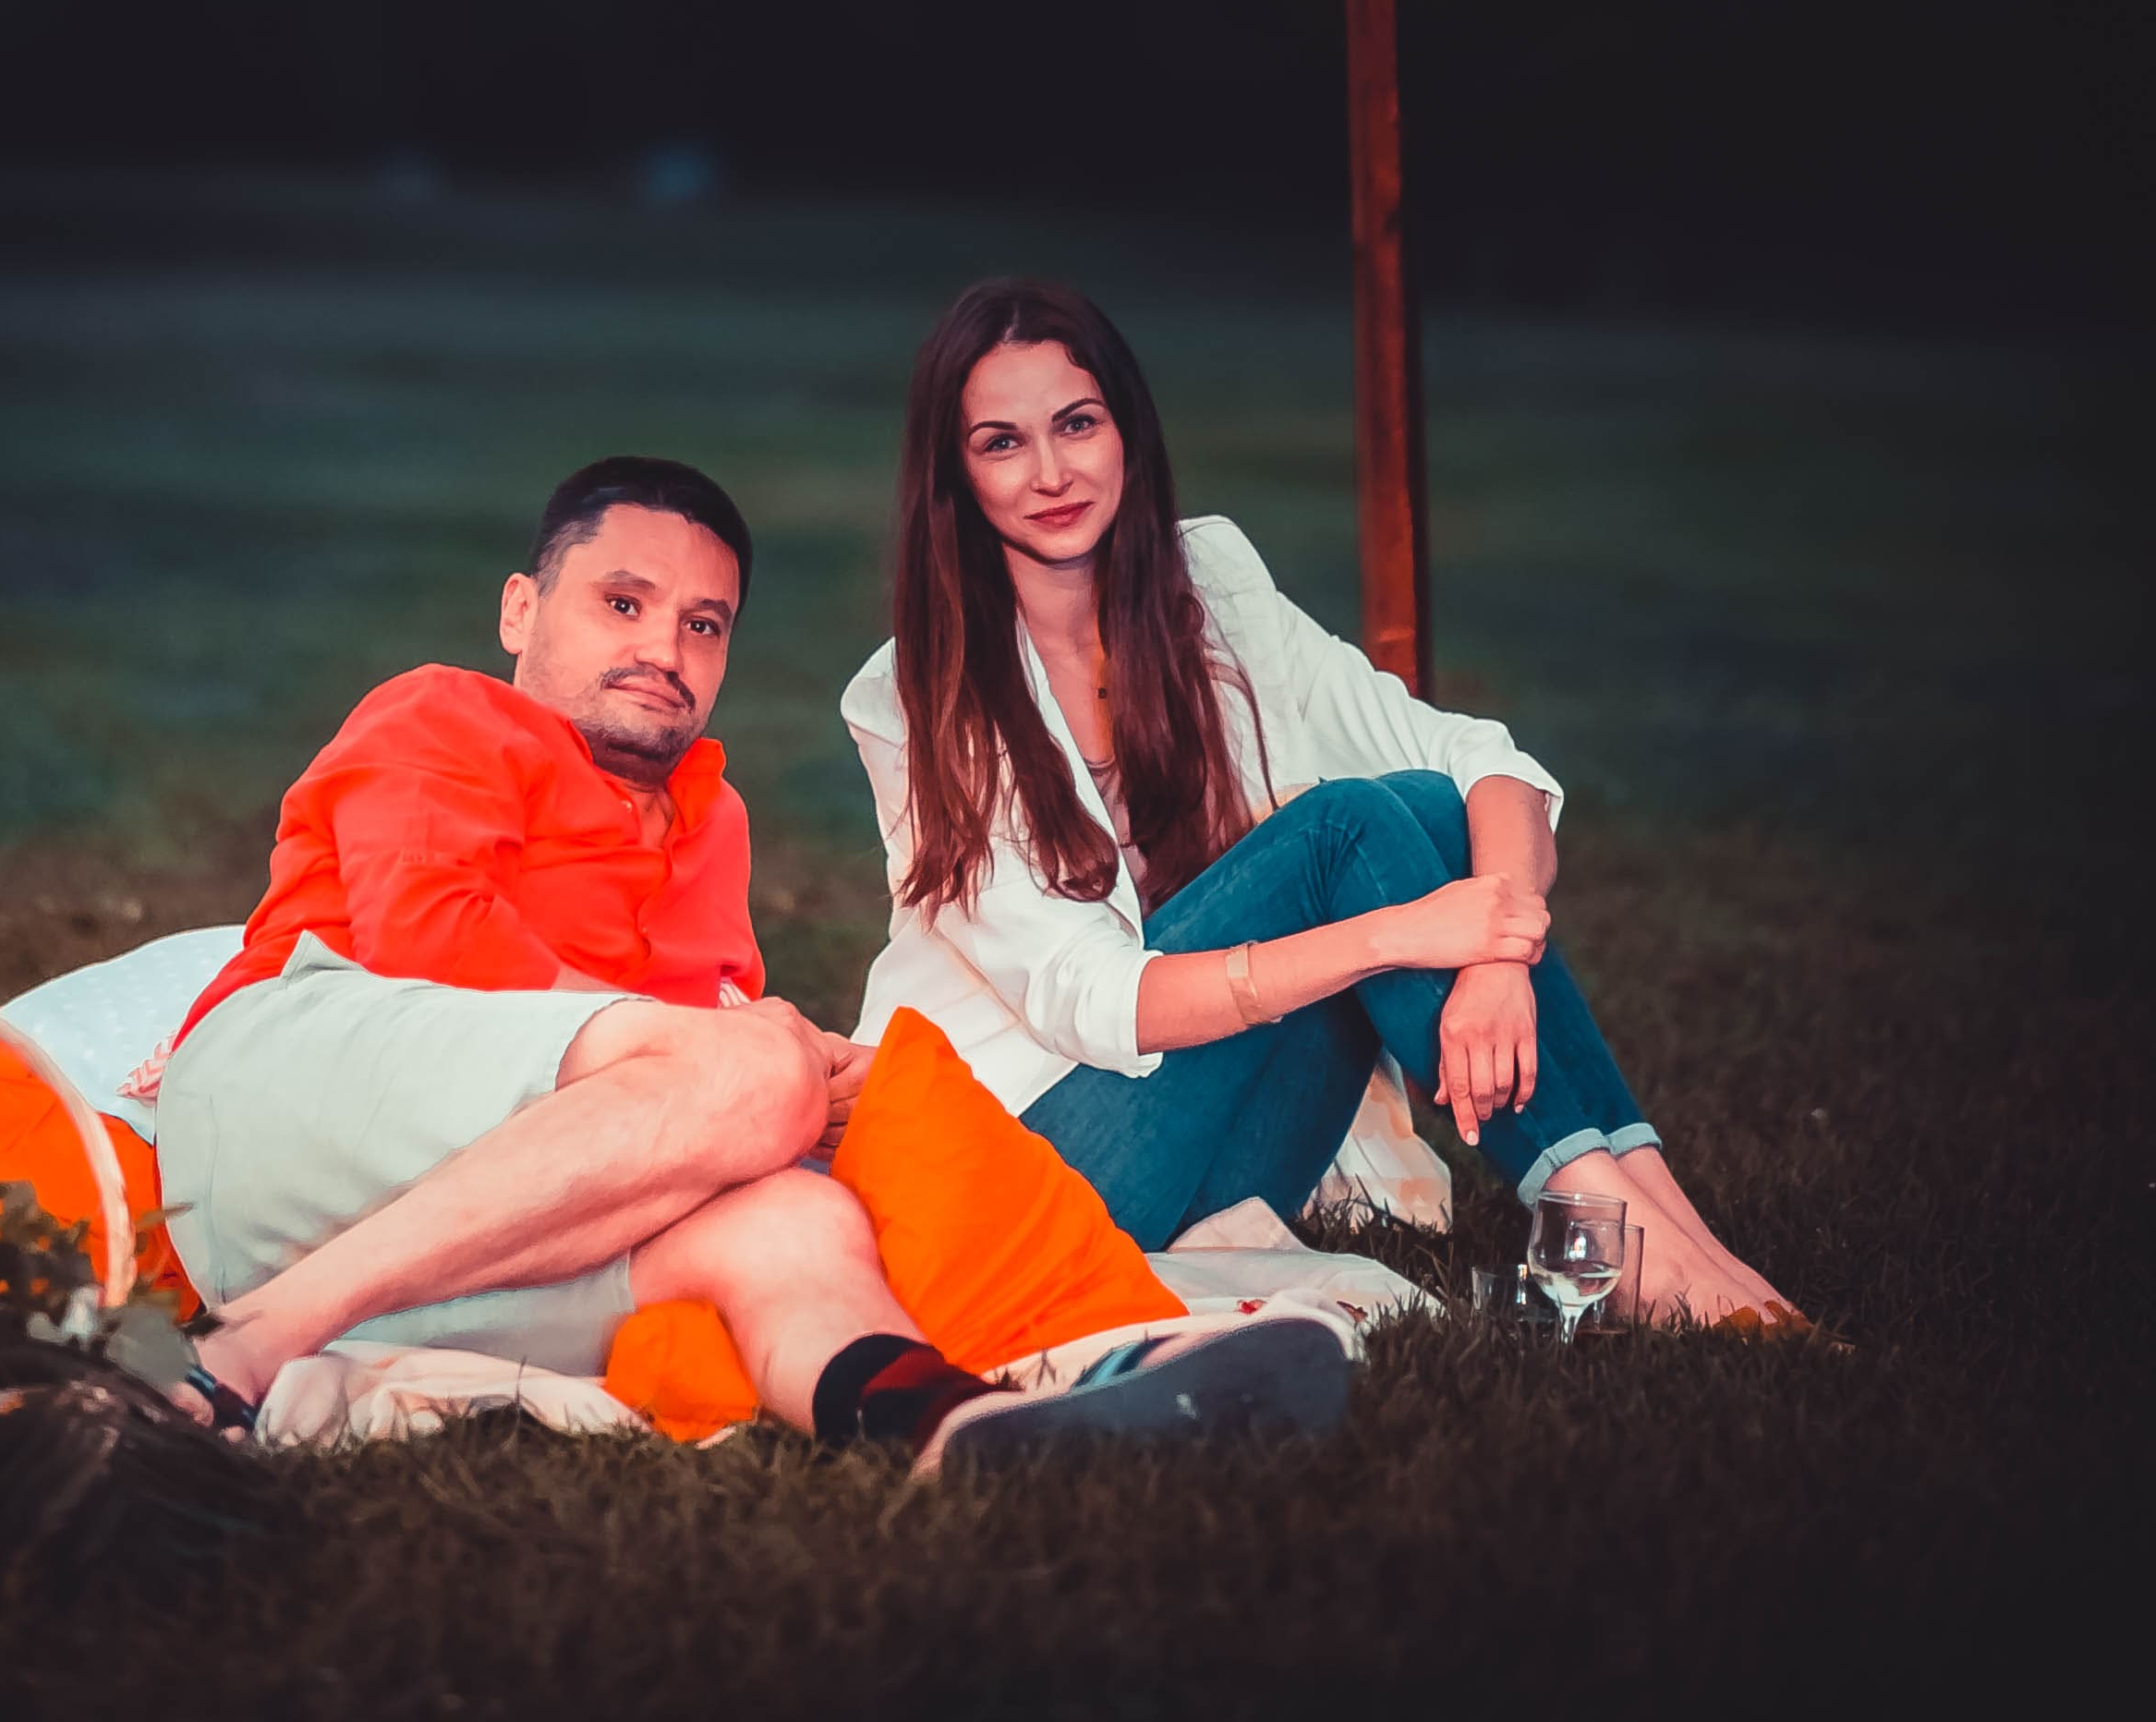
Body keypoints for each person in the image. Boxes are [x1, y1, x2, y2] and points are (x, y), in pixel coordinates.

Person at [158, 451, 1352, 1467]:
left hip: (470, 1238)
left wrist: (819, 1084)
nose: (662, 648)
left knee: (794, 1216)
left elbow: (677, 1099)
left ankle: (954, 1423)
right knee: (756, 1071)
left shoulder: (711, 821)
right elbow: (434, 939)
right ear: (521, 610)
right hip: (295, 1127)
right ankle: (243, 1348)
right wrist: (749, 1058)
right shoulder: (445, 716)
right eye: (621, 604)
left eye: (702, 624)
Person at [843, 284, 1802, 1329]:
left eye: (1078, 423)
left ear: (1127, 430)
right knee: (1345, 831)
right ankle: (1617, 1245)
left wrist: (1493, 959)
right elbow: (1093, 1000)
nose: (1051, 473)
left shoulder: (1207, 583)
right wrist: (1392, 936)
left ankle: (1662, 1226)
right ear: (954, 476)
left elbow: (1480, 760)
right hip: (1027, 1165)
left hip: (1209, 1147)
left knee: (1426, 807)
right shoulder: (914, 694)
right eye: (1002, 443)